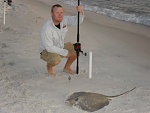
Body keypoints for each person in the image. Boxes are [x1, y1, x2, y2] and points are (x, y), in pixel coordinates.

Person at [39, 4, 84, 76]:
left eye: (61, 12)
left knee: (76, 49)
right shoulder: (46, 28)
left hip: (60, 46)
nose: (60, 15)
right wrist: (64, 52)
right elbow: (49, 47)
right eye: (57, 12)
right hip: (46, 50)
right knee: (56, 60)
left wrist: (80, 12)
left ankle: (67, 68)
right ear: (51, 14)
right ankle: (49, 67)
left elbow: (77, 21)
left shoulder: (64, 20)